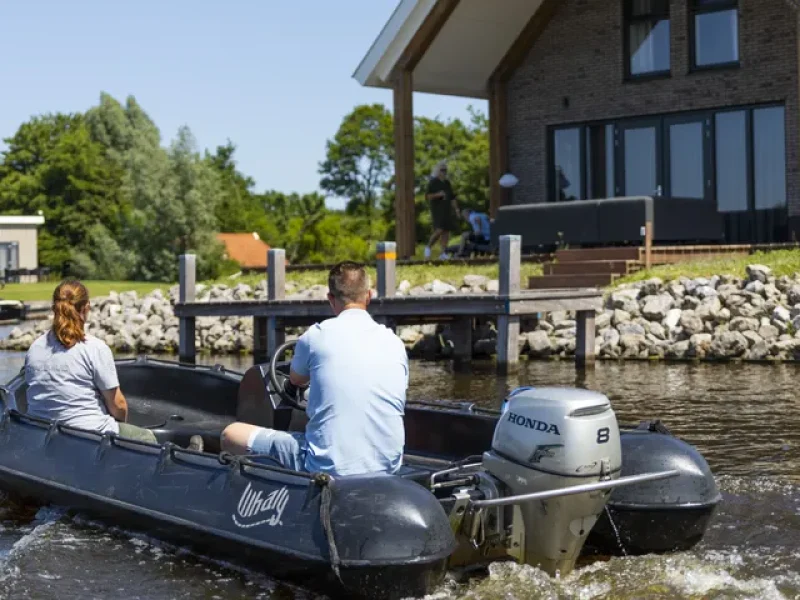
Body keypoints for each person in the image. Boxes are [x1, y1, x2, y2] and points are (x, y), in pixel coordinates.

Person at [220, 261, 409, 477]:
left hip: (326, 467)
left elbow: (296, 380)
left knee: (231, 434)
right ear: (368, 295)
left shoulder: (316, 336)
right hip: (389, 466)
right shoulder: (394, 342)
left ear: (330, 299)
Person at [24, 279, 202, 450]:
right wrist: (121, 426)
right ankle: (184, 458)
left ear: (54, 308)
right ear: (86, 308)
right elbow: (118, 405)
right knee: (145, 437)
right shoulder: (94, 348)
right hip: (89, 435)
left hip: (42, 433)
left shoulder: (35, 348)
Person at [425, 161, 460, 260]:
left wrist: (456, 209)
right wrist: (438, 194)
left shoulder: (447, 183)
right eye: (442, 170)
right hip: (437, 210)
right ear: (437, 171)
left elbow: (452, 197)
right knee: (439, 230)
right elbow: (427, 196)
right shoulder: (433, 182)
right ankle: (428, 247)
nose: (444, 172)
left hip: (447, 210)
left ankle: (443, 253)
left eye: (445, 170)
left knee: (446, 231)